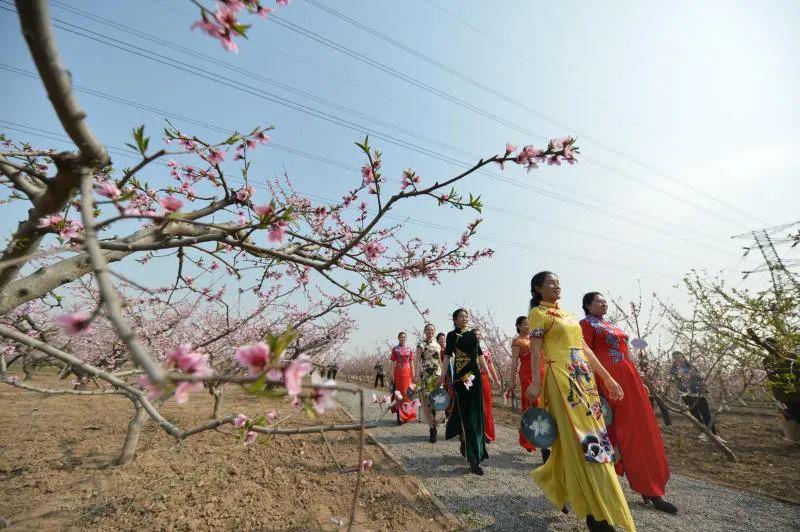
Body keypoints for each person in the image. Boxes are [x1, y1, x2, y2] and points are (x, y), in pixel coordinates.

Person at [527, 271, 635, 532]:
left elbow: (585, 349)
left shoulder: (568, 315)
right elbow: (535, 350)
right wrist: (535, 383)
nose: (557, 285)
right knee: (579, 439)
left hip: (584, 380)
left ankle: (583, 496)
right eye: (551, 282)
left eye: (558, 281)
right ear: (539, 288)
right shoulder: (538, 315)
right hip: (561, 380)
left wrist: (608, 379)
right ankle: (594, 513)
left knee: (595, 437)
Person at [580, 292, 677, 514]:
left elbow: (626, 354)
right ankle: (599, 489)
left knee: (641, 431)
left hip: (629, 380)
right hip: (605, 381)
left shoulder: (612, 325)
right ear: (587, 305)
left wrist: (639, 381)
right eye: (598, 301)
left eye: (605, 300)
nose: (604, 303)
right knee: (608, 432)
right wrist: (597, 384)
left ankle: (651, 489)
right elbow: (585, 355)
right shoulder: (584, 325)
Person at [440, 308, 493, 475]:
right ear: (454, 319)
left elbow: (480, 356)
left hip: (475, 377)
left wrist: (489, 374)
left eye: (466, 316)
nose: (464, 318)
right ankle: (473, 458)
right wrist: (442, 376)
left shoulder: (472, 334)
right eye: (461, 316)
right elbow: (448, 356)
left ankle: (474, 450)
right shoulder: (452, 335)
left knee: (477, 415)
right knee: (467, 416)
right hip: (462, 379)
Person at [511, 315, 549, 459]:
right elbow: (514, 361)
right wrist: (512, 379)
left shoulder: (536, 338)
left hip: (542, 373)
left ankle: (535, 436)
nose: (528, 326)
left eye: (529, 324)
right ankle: (543, 446)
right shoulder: (517, 341)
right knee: (534, 405)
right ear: (519, 326)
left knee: (545, 405)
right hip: (527, 376)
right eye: (525, 324)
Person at [669, 351, 720, 441]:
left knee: (705, 413)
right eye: (675, 358)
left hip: (697, 392)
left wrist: (702, 385)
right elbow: (674, 381)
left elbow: (700, 377)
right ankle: (704, 432)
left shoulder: (691, 366)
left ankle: (714, 434)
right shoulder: (673, 369)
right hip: (685, 393)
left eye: (679, 357)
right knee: (694, 413)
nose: (677, 359)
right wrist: (680, 380)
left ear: (683, 357)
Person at [761, 338, 800, 441]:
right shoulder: (767, 361)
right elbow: (772, 378)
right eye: (768, 346)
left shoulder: (791, 356)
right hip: (784, 394)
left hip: (796, 391)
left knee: (795, 414)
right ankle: (795, 437)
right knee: (792, 415)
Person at [417, 323, 444, 442]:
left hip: (436, 376)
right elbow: (417, 361)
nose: (430, 332)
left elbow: (440, 361)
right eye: (428, 330)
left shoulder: (437, 345)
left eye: (432, 330)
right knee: (427, 402)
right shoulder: (420, 344)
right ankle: (431, 428)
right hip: (426, 376)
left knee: (438, 402)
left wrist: (443, 374)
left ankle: (436, 423)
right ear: (425, 331)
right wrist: (417, 375)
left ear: (434, 332)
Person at [475, 329, 500, 443]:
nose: (477, 336)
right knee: (475, 405)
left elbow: (490, 366)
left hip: (484, 378)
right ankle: (476, 432)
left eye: (479, 335)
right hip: (470, 379)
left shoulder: (484, 351)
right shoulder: (466, 350)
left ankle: (488, 433)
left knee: (487, 405)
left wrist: (496, 379)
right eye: (475, 335)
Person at [390, 332, 416, 424]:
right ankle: (399, 416)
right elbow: (393, 362)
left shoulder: (410, 349)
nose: (403, 338)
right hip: (398, 372)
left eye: (404, 337)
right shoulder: (395, 349)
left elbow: (412, 362)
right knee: (398, 393)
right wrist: (391, 374)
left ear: (406, 338)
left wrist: (413, 373)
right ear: (398, 338)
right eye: (401, 337)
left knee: (407, 393)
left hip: (407, 373)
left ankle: (406, 415)